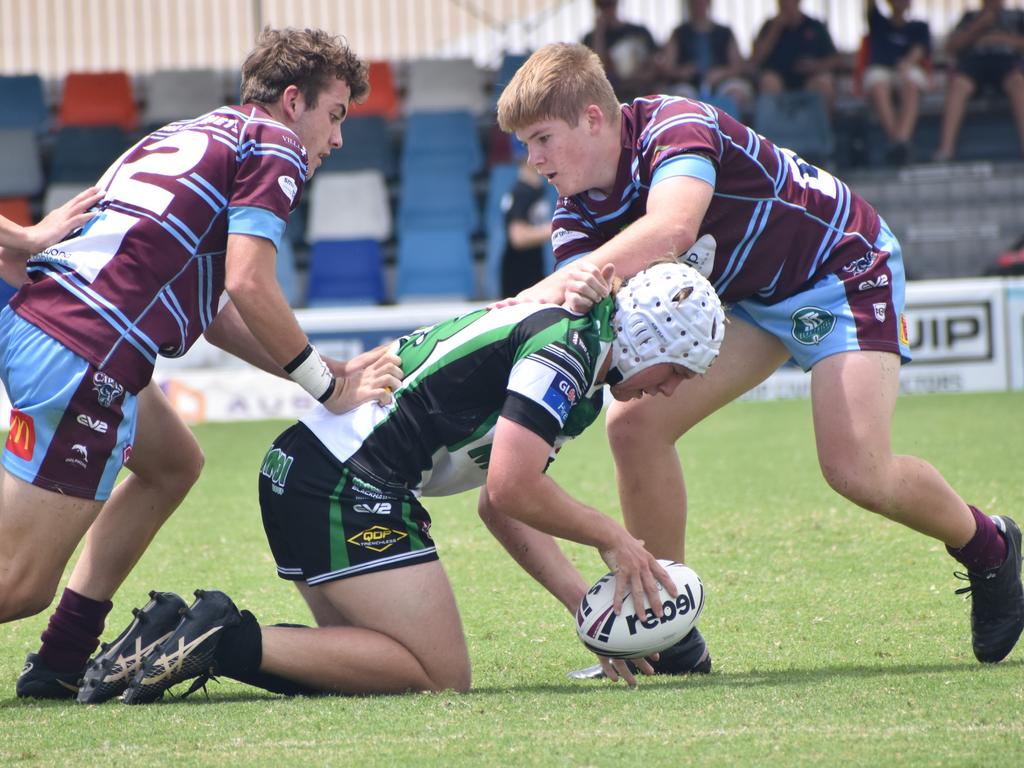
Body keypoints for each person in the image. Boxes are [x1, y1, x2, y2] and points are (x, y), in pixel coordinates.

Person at [493, 42, 1023, 679]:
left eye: (542, 138)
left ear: (594, 118)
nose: (534, 160)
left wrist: (553, 288)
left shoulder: (675, 124)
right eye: (526, 144)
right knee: (632, 424)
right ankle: (670, 628)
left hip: (840, 268)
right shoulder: (574, 211)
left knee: (855, 467)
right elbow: (587, 317)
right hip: (744, 299)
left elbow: (671, 231)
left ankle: (991, 548)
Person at [73, 261, 725, 704]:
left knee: (370, 666)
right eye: (676, 371)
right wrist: (614, 538)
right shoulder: (568, 348)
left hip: (305, 471)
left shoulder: (579, 357)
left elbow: (503, 507)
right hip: (343, 483)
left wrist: (588, 611)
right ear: (649, 338)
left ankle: (171, 633)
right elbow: (513, 486)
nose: (670, 389)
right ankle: (216, 636)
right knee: (438, 675)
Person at [8, 27, 402, 700]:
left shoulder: (184, 134)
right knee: (18, 586)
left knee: (173, 464)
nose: (336, 139)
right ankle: (58, 650)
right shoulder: (275, 144)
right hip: (88, 354)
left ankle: (61, 661)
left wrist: (324, 366)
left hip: (56, 327)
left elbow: (219, 313)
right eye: (334, 115)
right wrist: (326, 386)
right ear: (291, 101)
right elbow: (251, 282)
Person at [934, 0, 1024, 163]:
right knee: (958, 85)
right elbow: (951, 46)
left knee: (1019, 83)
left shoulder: (1017, 16)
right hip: (974, 65)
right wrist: (978, 26)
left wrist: (1003, 39)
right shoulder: (970, 17)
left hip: (1006, 63)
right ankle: (945, 150)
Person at [863, 0, 932, 166]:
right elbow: (869, 6)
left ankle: (899, 141)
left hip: (906, 68)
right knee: (878, 85)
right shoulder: (879, 22)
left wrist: (907, 63)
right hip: (881, 70)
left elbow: (919, 50)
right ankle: (899, 144)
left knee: (911, 85)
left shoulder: (919, 26)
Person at [750, 0, 844, 116]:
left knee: (824, 85)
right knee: (769, 82)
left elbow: (835, 59)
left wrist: (816, 65)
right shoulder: (769, 25)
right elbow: (756, 59)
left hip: (808, 79)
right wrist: (775, 29)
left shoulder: (814, 25)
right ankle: (771, 131)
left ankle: (820, 131)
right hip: (777, 78)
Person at [658, 0, 753, 114]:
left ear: (708, 3)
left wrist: (722, 73)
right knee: (681, 99)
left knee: (736, 94)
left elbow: (738, 66)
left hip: (723, 83)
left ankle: (729, 130)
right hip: (687, 85)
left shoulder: (725, 32)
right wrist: (682, 72)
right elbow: (668, 68)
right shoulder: (678, 33)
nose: (697, 6)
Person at [582, 0, 659, 102]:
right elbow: (596, 69)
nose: (606, 9)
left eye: (610, 4)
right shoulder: (590, 38)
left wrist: (642, 76)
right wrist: (599, 33)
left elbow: (657, 61)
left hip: (644, 91)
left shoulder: (639, 31)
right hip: (613, 97)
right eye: (601, 5)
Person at [500, 160, 554, 297]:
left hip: (534, 265)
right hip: (518, 272)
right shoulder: (521, 192)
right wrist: (557, 227)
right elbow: (518, 237)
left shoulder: (537, 190)